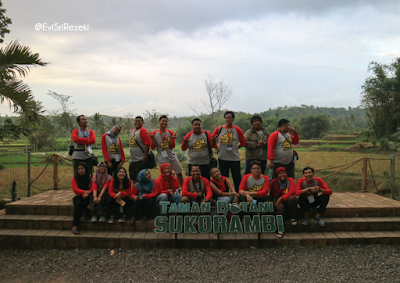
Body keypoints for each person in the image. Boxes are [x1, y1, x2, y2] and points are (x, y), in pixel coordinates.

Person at [212, 111, 246, 191]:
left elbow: (243, 142)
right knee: (223, 178)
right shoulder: (219, 129)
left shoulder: (237, 129)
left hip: (234, 159)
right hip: (222, 158)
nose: (227, 119)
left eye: (229, 118)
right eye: (226, 118)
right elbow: (212, 140)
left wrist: (236, 147)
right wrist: (216, 147)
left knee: (237, 178)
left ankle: (238, 194)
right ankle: (225, 195)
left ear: (233, 119)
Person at [150, 115, 184, 187]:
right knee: (166, 176)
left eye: (166, 121)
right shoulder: (154, 133)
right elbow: (153, 147)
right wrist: (153, 139)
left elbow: (172, 146)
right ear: (159, 122)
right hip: (163, 158)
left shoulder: (170, 132)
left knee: (179, 173)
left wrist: (173, 139)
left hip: (172, 157)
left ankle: (184, 189)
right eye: (163, 121)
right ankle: (169, 191)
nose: (164, 122)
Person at [269, 167, 298, 238]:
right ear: (277, 175)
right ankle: (280, 229)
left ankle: (292, 217)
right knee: (280, 207)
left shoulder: (290, 180)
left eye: (283, 173)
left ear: (286, 173)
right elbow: (271, 194)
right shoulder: (274, 181)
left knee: (293, 198)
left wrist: (281, 198)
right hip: (279, 201)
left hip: (287, 200)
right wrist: (274, 202)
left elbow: (292, 192)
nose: (282, 175)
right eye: (279, 174)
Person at [71, 162, 92, 235]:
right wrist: (84, 192)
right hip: (78, 196)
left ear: (86, 169)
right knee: (78, 205)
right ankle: (75, 226)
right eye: (79, 169)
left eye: (82, 168)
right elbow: (75, 189)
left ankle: (88, 214)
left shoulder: (90, 177)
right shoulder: (75, 178)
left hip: (89, 196)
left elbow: (93, 187)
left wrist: (88, 193)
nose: (80, 170)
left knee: (88, 202)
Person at [129, 116, 151, 182]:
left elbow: (147, 144)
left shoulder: (143, 130)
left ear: (142, 123)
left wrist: (145, 158)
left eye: (139, 121)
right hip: (133, 160)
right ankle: (135, 191)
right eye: (136, 121)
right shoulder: (132, 131)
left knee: (141, 178)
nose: (137, 122)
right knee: (133, 178)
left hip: (140, 159)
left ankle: (141, 191)